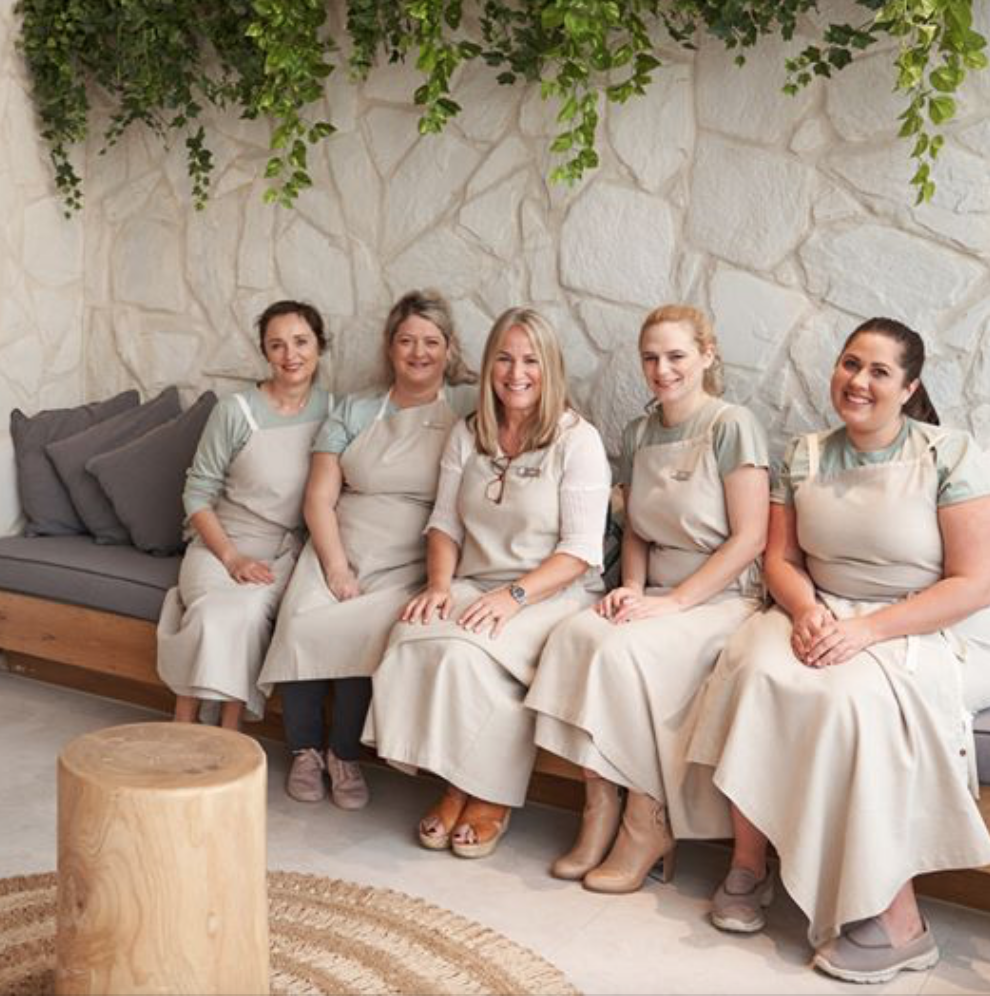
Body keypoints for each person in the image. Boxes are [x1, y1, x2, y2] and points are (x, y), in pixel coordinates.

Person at [687, 317, 990, 983]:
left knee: (852, 701)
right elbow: (780, 559)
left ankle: (896, 920)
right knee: (753, 669)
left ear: (909, 389)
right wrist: (807, 612)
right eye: (851, 364)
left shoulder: (951, 455)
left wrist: (868, 632)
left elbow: (974, 583)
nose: (858, 381)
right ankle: (749, 864)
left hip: (923, 624)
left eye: (880, 372)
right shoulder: (805, 454)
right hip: (821, 610)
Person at [525, 304, 769, 893]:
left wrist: (676, 602)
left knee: (624, 653)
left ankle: (648, 820)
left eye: (677, 356)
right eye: (651, 358)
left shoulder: (732, 425)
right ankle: (599, 807)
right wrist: (630, 588)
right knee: (575, 636)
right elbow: (635, 529)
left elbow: (751, 538)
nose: (663, 370)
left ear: (707, 355)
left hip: (721, 598)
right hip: (654, 590)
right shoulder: (638, 433)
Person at [364, 307, 611, 857]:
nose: (516, 373)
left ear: (550, 368)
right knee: (410, 635)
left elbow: (580, 551)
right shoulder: (468, 433)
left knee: (467, 655)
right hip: (476, 581)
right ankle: (456, 781)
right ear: (488, 365)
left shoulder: (578, 440)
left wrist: (514, 596)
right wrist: (438, 586)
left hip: (551, 592)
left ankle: (482, 794)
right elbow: (444, 523)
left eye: (530, 361)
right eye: (504, 359)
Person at [258, 290, 476, 809]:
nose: (418, 353)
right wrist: (335, 568)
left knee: (369, 626)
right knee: (301, 621)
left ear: (449, 348)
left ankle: (344, 753)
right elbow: (318, 498)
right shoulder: (354, 410)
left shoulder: (468, 406)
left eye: (431, 342)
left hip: (412, 557)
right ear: (389, 347)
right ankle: (305, 750)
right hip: (340, 543)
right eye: (406, 341)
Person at [158, 301, 332, 728]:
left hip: (283, 554)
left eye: (301, 342)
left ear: (320, 346)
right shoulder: (234, 411)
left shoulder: (334, 411)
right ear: (265, 352)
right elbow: (197, 495)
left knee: (247, 613)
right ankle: (183, 725)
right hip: (220, 546)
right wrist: (232, 558)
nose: (290, 355)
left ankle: (228, 733)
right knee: (210, 612)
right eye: (277, 345)